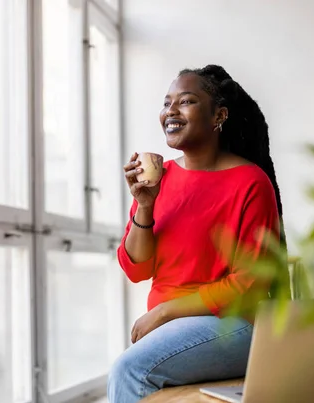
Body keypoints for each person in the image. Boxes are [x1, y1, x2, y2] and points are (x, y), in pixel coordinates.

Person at [107, 64, 287, 402]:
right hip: (173, 328)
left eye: (186, 101)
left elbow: (249, 283)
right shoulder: (160, 179)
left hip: (234, 322)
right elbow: (137, 269)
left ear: (218, 114)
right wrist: (145, 206)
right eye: (166, 102)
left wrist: (164, 312)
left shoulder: (250, 182)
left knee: (129, 371)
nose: (171, 111)